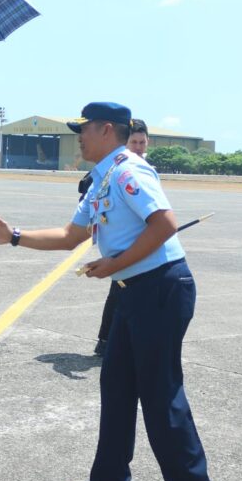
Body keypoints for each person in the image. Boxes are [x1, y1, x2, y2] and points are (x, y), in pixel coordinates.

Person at [0, 102, 220, 481]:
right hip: (134, 291)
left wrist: (116, 264)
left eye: (82, 129)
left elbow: (164, 225)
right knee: (117, 386)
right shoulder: (101, 180)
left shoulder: (129, 171)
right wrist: (12, 236)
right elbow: (71, 236)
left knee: (160, 393)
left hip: (160, 287)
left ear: (106, 130)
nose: (78, 136)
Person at [92, 119, 149, 356]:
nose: (137, 146)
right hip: (124, 245)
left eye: (141, 142)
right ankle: (106, 342)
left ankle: (112, 342)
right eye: (133, 142)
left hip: (142, 244)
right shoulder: (120, 170)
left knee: (126, 294)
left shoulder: (145, 167)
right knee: (118, 292)